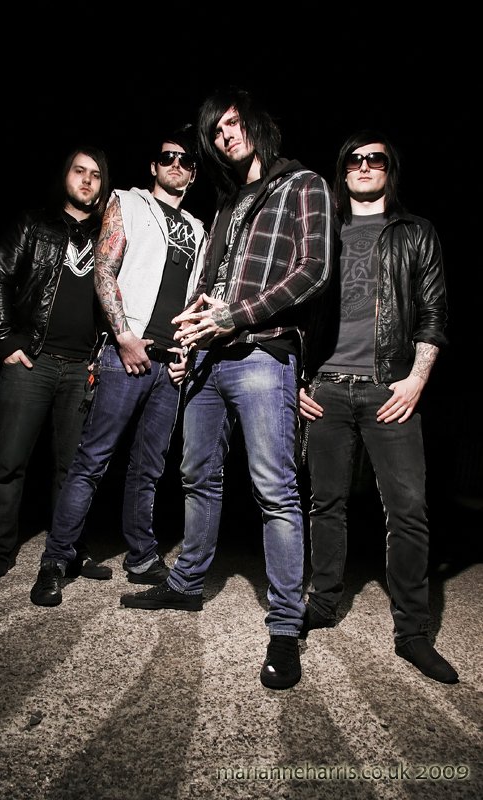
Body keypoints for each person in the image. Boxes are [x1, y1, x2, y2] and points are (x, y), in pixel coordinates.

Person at [120, 87, 336, 692]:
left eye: (233, 124)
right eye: (215, 131)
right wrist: (191, 337)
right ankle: (188, 583)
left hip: (264, 352)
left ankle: (286, 624)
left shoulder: (303, 185)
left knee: (275, 490)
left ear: (257, 124)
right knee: (196, 474)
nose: (224, 136)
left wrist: (235, 317)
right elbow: (211, 284)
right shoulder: (225, 204)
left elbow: (314, 269)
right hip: (209, 359)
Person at [298, 130, 459, 684]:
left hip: (389, 388)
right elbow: (298, 313)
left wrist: (415, 381)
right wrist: (299, 379)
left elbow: (434, 313)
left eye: (376, 159)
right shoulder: (324, 234)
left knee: (408, 510)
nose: (365, 166)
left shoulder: (416, 232)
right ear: (342, 170)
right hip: (327, 387)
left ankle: (412, 633)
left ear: (390, 169)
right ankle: (322, 602)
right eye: (355, 160)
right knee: (326, 503)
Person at [29, 127, 207, 607]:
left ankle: (142, 557)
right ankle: (55, 560)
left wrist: (187, 354)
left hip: (169, 365)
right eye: (167, 157)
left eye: (186, 160)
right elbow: (104, 270)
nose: (176, 164)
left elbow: (197, 298)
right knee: (92, 461)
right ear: (154, 166)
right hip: (124, 355)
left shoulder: (198, 228)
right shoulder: (126, 203)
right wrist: (125, 337)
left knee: (149, 469)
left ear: (193, 174)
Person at [0, 145, 112, 585]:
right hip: (33, 361)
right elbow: (0, 276)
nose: (86, 180)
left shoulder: (108, 234)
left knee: (74, 469)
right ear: (65, 175)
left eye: (96, 174)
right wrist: (5, 339)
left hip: (82, 366)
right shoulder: (35, 223)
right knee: (9, 460)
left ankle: (71, 550)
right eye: (79, 171)